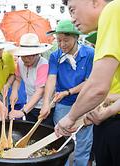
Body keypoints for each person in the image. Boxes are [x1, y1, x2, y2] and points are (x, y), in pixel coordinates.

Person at [54, 0, 120, 166]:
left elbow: (97, 87)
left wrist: (70, 117)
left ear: (94, 2)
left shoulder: (113, 10)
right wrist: (109, 106)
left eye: (73, 10)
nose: (72, 18)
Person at [40, 20, 94, 166]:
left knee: (83, 140)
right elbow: (51, 79)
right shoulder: (55, 56)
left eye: (66, 40)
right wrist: (46, 104)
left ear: (76, 38)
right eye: (59, 40)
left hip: (84, 103)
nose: (62, 44)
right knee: (62, 139)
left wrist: (68, 92)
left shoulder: (89, 54)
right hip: (62, 104)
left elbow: (89, 82)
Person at [9, 33, 53, 126]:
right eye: (23, 55)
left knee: (43, 132)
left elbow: (40, 91)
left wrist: (23, 111)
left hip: (43, 107)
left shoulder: (43, 65)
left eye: (30, 55)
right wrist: (14, 91)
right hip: (30, 104)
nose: (26, 59)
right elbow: (17, 79)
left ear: (37, 53)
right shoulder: (20, 62)